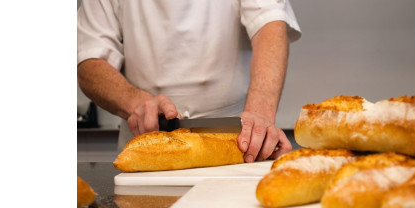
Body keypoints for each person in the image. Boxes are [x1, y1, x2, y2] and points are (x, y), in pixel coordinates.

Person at [77, 0, 302, 163]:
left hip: (237, 145)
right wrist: (134, 101)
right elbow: (89, 59)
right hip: (147, 145)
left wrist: (260, 115)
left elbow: (270, 25)